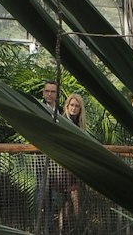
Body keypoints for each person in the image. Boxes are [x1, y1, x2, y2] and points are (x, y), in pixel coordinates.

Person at [34, 81, 60, 233]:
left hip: (56, 157)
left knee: (53, 192)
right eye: (47, 91)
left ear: (57, 94)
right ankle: (38, 224)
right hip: (41, 154)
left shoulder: (61, 110)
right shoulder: (37, 108)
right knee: (41, 190)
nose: (50, 94)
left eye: (53, 91)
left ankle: (49, 227)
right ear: (43, 93)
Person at [60, 94, 86, 230]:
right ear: (67, 106)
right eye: (72, 105)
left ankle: (76, 228)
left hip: (75, 165)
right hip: (62, 166)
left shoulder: (80, 124)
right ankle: (62, 229)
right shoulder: (62, 119)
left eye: (77, 106)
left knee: (74, 198)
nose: (74, 108)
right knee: (63, 200)